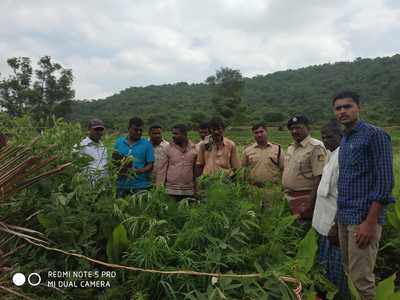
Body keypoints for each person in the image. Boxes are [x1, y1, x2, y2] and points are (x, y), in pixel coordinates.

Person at [333, 91, 395, 300]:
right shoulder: (345, 139)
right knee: (350, 274)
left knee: (362, 280)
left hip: (363, 218)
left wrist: (370, 222)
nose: (343, 111)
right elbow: (347, 181)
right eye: (338, 108)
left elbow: (385, 181)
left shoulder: (375, 135)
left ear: (359, 108)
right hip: (344, 216)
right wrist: (337, 219)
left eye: (347, 106)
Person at [312, 121, 349, 299]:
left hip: (334, 226)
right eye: (323, 137)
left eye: (330, 137)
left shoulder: (343, 157)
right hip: (324, 224)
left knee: (337, 270)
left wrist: (336, 225)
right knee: (325, 266)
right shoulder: (331, 154)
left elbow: (346, 195)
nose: (326, 140)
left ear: (341, 136)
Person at [282, 115, 327, 220]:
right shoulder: (291, 147)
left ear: (308, 128)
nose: (294, 131)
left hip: (305, 198)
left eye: (298, 128)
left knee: (304, 231)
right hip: (289, 198)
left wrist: (310, 205)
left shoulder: (315, 147)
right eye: (292, 129)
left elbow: (319, 178)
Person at [113, 117, 154, 196]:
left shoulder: (147, 144)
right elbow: (114, 159)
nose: (138, 132)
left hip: (140, 185)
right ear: (129, 129)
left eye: (140, 130)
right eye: (135, 130)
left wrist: (140, 171)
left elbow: (150, 164)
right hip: (121, 185)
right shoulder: (119, 142)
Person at [156, 124, 197, 199]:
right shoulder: (168, 148)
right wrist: (159, 188)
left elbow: (195, 170)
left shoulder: (194, 148)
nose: (173, 136)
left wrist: (196, 188)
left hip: (189, 190)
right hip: (171, 190)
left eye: (176, 133)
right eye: (173, 133)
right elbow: (162, 170)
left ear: (184, 135)